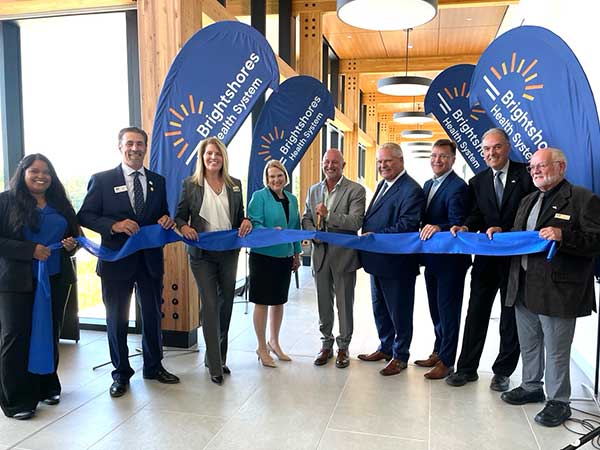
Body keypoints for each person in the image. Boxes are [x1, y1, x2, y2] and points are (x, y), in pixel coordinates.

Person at [499, 148, 600, 427]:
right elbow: (522, 237)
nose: (535, 172)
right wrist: (499, 233)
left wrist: (563, 235)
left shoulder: (582, 198)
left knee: (556, 349)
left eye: (541, 166)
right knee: (529, 344)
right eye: (532, 168)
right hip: (523, 285)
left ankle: (559, 402)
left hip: (558, 290)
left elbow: (596, 240)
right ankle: (532, 386)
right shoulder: (528, 200)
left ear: (561, 167)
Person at [78, 126, 179, 398]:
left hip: (150, 263)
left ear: (146, 148)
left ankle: (153, 367)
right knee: (117, 320)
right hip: (116, 263)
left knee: (152, 317)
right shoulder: (101, 180)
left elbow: (163, 214)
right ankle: (121, 374)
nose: (135, 148)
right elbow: (85, 216)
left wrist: (166, 220)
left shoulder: (158, 180)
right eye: (130, 144)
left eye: (140, 144)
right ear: (120, 147)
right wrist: (114, 225)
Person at [446, 128, 535, 391]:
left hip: (516, 262)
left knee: (510, 318)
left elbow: (530, 215)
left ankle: (502, 372)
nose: (490, 153)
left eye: (496, 147)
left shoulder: (526, 174)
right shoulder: (478, 181)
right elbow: (476, 216)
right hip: (485, 261)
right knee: (476, 314)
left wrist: (505, 232)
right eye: (486, 149)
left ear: (507, 147)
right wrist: (464, 227)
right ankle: (466, 368)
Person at [0, 154, 79, 420]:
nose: (41, 176)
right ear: (22, 172)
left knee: (48, 332)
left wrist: (71, 245)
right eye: (34, 171)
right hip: (16, 281)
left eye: (46, 172)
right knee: (15, 336)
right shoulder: (5, 201)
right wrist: (29, 250)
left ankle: (46, 385)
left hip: (55, 278)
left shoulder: (60, 203)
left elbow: (75, 236)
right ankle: (16, 399)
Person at [175, 137, 252, 386]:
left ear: (224, 158)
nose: (213, 158)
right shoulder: (190, 185)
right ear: (202, 157)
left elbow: (240, 217)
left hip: (229, 253)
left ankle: (217, 356)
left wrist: (246, 221)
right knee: (209, 304)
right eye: (209, 154)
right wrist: (183, 227)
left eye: (217, 154)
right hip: (202, 256)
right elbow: (179, 217)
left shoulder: (236, 185)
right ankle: (215, 367)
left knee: (225, 305)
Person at [358, 142, 425, 376]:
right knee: (381, 309)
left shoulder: (411, 189)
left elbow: (406, 225)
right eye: (379, 161)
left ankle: (400, 355)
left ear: (400, 161)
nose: (382, 165)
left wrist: (375, 237)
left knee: (400, 311)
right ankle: (385, 347)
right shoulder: (382, 185)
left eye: (387, 161)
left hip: (397, 263)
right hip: (377, 260)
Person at [302, 149, 366, 369]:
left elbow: (355, 222)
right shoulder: (313, 190)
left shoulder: (355, 190)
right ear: (322, 163)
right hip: (319, 254)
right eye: (326, 161)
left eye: (335, 162)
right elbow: (307, 217)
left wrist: (328, 215)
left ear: (343, 164)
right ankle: (326, 344)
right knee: (323, 303)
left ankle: (343, 347)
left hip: (344, 256)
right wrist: (314, 234)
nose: (330, 166)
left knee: (344, 303)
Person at [416, 139, 471, 379]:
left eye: (443, 156)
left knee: (449, 311)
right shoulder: (428, 184)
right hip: (432, 259)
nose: (437, 160)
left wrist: (439, 226)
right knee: (435, 309)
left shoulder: (458, 186)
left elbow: (458, 223)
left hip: (451, 261)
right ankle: (438, 351)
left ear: (452, 160)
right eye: (434, 155)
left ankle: (447, 361)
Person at [247, 160, 301, 368]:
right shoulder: (259, 197)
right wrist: (271, 232)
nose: (276, 179)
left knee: (279, 301)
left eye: (279, 175)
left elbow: (294, 228)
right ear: (266, 180)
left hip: (284, 256)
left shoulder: (292, 199)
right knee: (262, 302)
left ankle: (274, 342)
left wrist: (296, 253)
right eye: (272, 177)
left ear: (285, 177)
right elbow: (254, 223)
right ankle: (261, 347)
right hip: (263, 256)